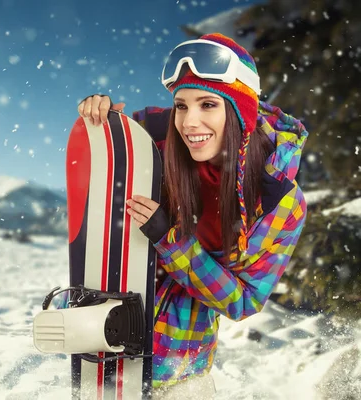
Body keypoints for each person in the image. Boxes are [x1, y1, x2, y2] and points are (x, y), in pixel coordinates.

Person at [77, 33, 308, 398]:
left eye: (208, 104)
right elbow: (104, 159)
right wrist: (104, 124)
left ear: (238, 112)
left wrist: (172, 240)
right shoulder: (154, 148)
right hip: (108, 339)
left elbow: (244, 300)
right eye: (181, 106)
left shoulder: (279, 201)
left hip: (182, 362)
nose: (189, 122)